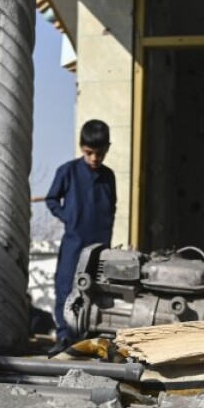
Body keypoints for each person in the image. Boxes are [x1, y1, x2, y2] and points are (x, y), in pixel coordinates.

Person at [45, 119, 116, 354]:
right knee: (66, 286)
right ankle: (64, 337)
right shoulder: (68, 171)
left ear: (107, 148)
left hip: (100, 247)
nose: (95, 158)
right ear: (81, 147)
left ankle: (90, 337)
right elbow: (52, 199)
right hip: (74, 242)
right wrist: (68, 217)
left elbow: (111, 208)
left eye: (100, 153)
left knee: (97, 290)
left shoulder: (109, 176)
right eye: (89, 153)